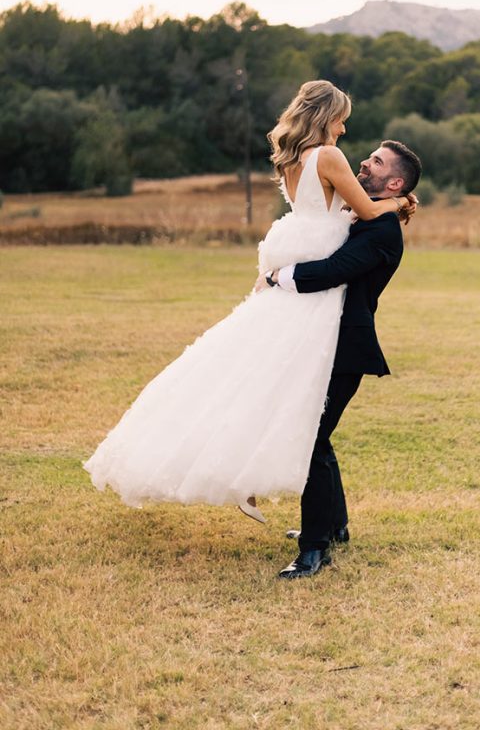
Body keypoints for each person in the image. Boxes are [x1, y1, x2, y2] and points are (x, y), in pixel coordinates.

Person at [83, 81, 416, 521]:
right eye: (341, 117)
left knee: (263, 386)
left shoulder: (293, 160)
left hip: (301, 260)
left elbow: (331, 219)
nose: (345, 128)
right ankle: (271, 493)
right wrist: (400, 202)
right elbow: (368, 213)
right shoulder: (329, 157)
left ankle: (317, 519)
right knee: (292, 408)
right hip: (312, 281)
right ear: (326, 115)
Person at [255, 139, 422, 579]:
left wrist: (278, 277)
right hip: (321, 342)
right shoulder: (363, 216)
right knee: (319, 436)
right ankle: (335, 526)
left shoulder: (382, 232)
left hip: (345, 350)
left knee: (311, 438)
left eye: (377, 163)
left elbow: (332, 271)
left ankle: (314, 551)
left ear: (395, 181)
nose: (365, 163)